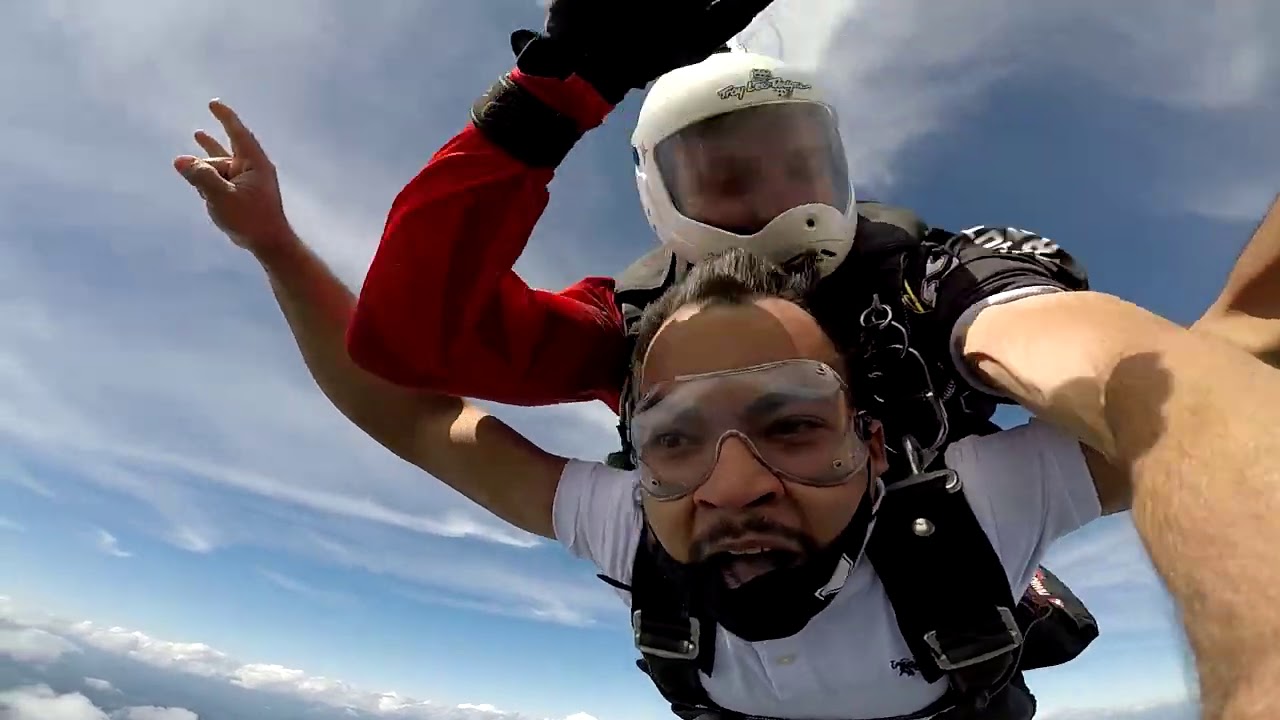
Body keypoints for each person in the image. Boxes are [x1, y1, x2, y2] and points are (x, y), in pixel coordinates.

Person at [175, 102, 1280, 720]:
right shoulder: (642, 518)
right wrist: (275, 249)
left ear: (875, 439)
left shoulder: (977, 504)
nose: (733, 481)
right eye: (672, 439)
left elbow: (1170, 386)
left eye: (794, 422)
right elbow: (411, 407)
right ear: (633, 453)